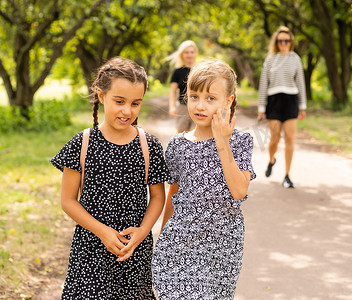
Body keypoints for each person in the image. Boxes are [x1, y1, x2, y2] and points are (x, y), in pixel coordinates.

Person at [50, 57, 171, 299]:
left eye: (136, 103)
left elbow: (158, 196)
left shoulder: (149, 145)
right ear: (101, 95)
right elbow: (68, 201)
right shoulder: (81, 144)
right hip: (90, 251)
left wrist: (143, 231)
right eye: (119, 101)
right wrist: (103, 231)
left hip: (133, 252)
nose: (127, 111)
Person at [152, 59, 256, 299]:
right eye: (194, 96)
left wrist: (222, 142)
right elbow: (173, 194)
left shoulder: (240, 142)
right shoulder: (178, 144)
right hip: (179, 243)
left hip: (221, 249)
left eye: (211, 98)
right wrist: (163, 237)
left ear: (228, 101)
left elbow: (239, 191)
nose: (200, 105)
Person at [258, 26, 307, 189]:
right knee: (274, 139)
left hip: (291, 100)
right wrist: (261, 107)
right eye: (280, 41)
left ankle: (287, 175)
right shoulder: (270, 59)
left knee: (290, 139)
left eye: (287, 40)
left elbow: (300, 82)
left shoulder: (295, 58)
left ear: (291, 42)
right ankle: (272, 159)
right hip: (274, 101)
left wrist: (302, 105)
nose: (283, 43)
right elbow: (263, 84)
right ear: (276, 42)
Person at [165, 40, 198, 133]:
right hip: (183, 107)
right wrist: (172, 106)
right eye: (186, 52)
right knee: (181, 134)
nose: (189, 55)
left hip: (197, 106)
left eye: (192, 52)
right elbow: (173, 91)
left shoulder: (199, 70)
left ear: (195, 54)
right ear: (182, 54)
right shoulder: (177, 72)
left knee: (195, 133)